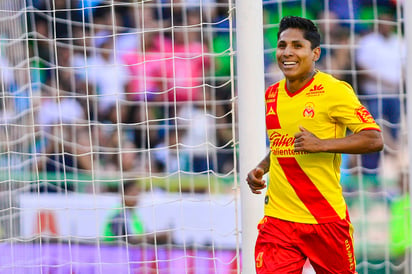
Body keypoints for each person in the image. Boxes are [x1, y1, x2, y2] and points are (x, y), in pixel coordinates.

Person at [246, 16, 384, 273]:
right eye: (282, 45)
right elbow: (281, 145)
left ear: (315, 53)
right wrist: (261, 168)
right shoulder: (272, 94)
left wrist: (321, 144)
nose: (287, 52)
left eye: (297, 46)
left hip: (325, 220)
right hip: (279, 220)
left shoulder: (334, 91)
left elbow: (374, 139)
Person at [102, 181, 170, 245]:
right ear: (123, 194)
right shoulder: (117, 215)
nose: (136, 196)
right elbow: (123, 241)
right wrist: (149, 238)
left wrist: (157, 235)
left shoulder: (134, 215)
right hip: (114, 252)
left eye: (137, 192)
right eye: (133, 192)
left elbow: (142, 234)